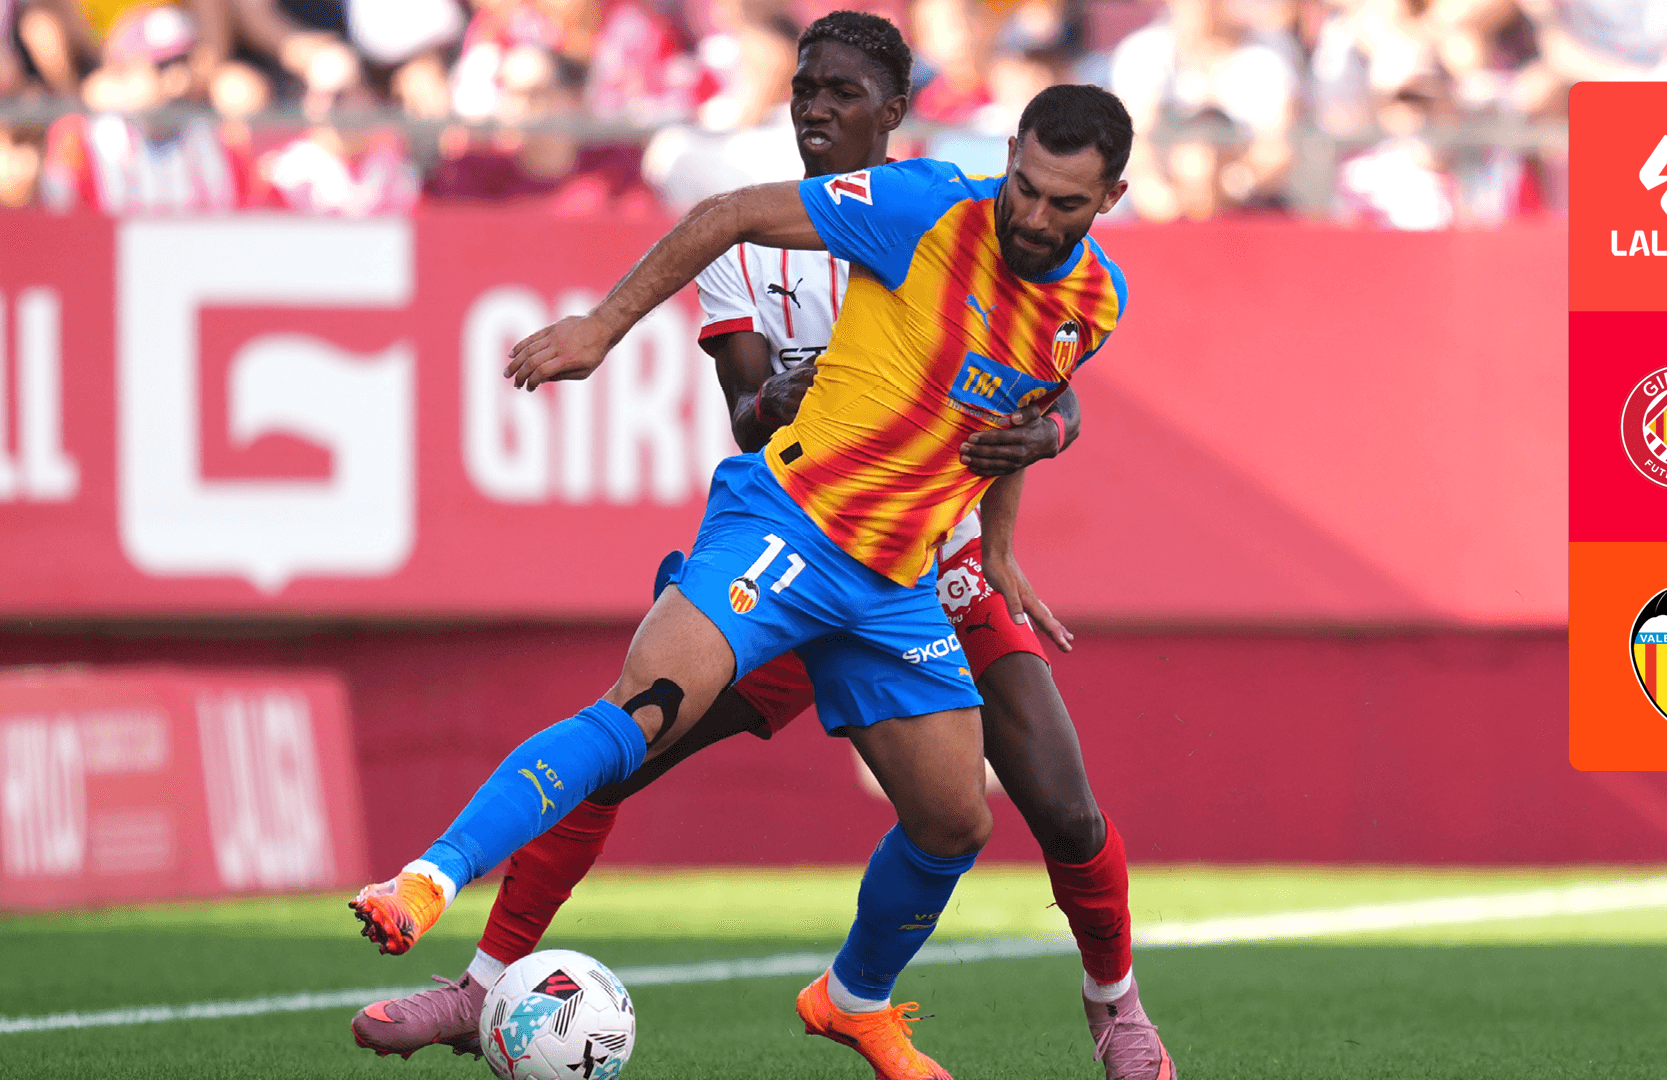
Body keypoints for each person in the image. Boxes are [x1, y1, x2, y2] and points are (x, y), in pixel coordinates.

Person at [351, 13, 1174, 1080]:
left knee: (982, 816)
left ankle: (932, 1002)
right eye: (804, 90)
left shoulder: (1093, 295)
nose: (1033, 216)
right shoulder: (907, 209)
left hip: (922, 568)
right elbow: (740, 337)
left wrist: (1013, 523)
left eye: (843, 94)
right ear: (1005, 159)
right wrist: (604, 330)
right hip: (795, 531)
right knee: (635, 724)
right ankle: (445, 915)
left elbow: (1028, 399)